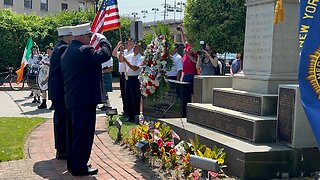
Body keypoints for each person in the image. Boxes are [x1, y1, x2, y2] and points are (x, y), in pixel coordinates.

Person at [61, 23, 112, 176]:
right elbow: (105, 54)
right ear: (82, 36)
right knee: (83, 134)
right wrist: (103, 40)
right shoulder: (84, 50)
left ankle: (73, 163)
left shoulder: (68, 51)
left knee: (74, 134)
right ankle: (80, 166)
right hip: (84, 100)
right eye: (89, 36)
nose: (90, 39)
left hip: (72, 99)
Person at [48, 26, 73, 160]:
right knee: (63, 120)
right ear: (67, 37)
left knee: (60, 119)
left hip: (57, 90)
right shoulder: (63, 48)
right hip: (61, 91)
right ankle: (62, 149)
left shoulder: (58, 47)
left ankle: (61, 148)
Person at [118, 41, 143, 123]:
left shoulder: (140, 58)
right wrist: (121, 51)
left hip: (135, 79)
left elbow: (135, 68)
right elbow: (121, 60)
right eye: (134, 46)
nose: (134, 48)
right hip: (128, 78)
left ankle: (135, 115)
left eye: (136, 47)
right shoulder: (130, 55)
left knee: (134, 98)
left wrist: (127, 62)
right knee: (128, 97)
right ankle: (129, 115)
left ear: (140, 49)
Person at [112, 37, 134, 116]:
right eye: (125, 43)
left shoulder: (132, 53)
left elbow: (121, 60)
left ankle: (129, 111)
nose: (126, 44)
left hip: (127, 74)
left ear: (132, 44)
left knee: (127, 94)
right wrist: (118, 46)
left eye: (127, 43)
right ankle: (125, 110)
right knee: (123, 93)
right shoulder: (123, 51)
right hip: (121, 74)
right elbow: (114, 54)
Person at [38, 45, 53, 109]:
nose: (48, 52)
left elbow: (52, 64)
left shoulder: (54, 57)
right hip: (44, 75)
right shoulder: (46, 57)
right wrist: (41, 62)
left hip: (52, 75)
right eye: (47, 51)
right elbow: (41, 62)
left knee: (51, 90)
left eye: (49, 51)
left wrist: (45, 63)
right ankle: (44, 103)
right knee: (43, 89)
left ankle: (53, 104)